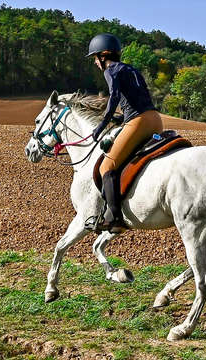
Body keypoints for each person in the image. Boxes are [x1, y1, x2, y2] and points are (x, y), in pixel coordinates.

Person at [87, 33, 163, 233]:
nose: (95, 62)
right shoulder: (131, 70)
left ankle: (114, 217)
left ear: (104, 55)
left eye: (95, 58)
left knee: (107, 166)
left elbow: (114, 98)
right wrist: (122, 119)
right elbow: (137, 99)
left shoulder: (111, 70)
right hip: (156, 121)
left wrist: (102, 125)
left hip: (139, 122)